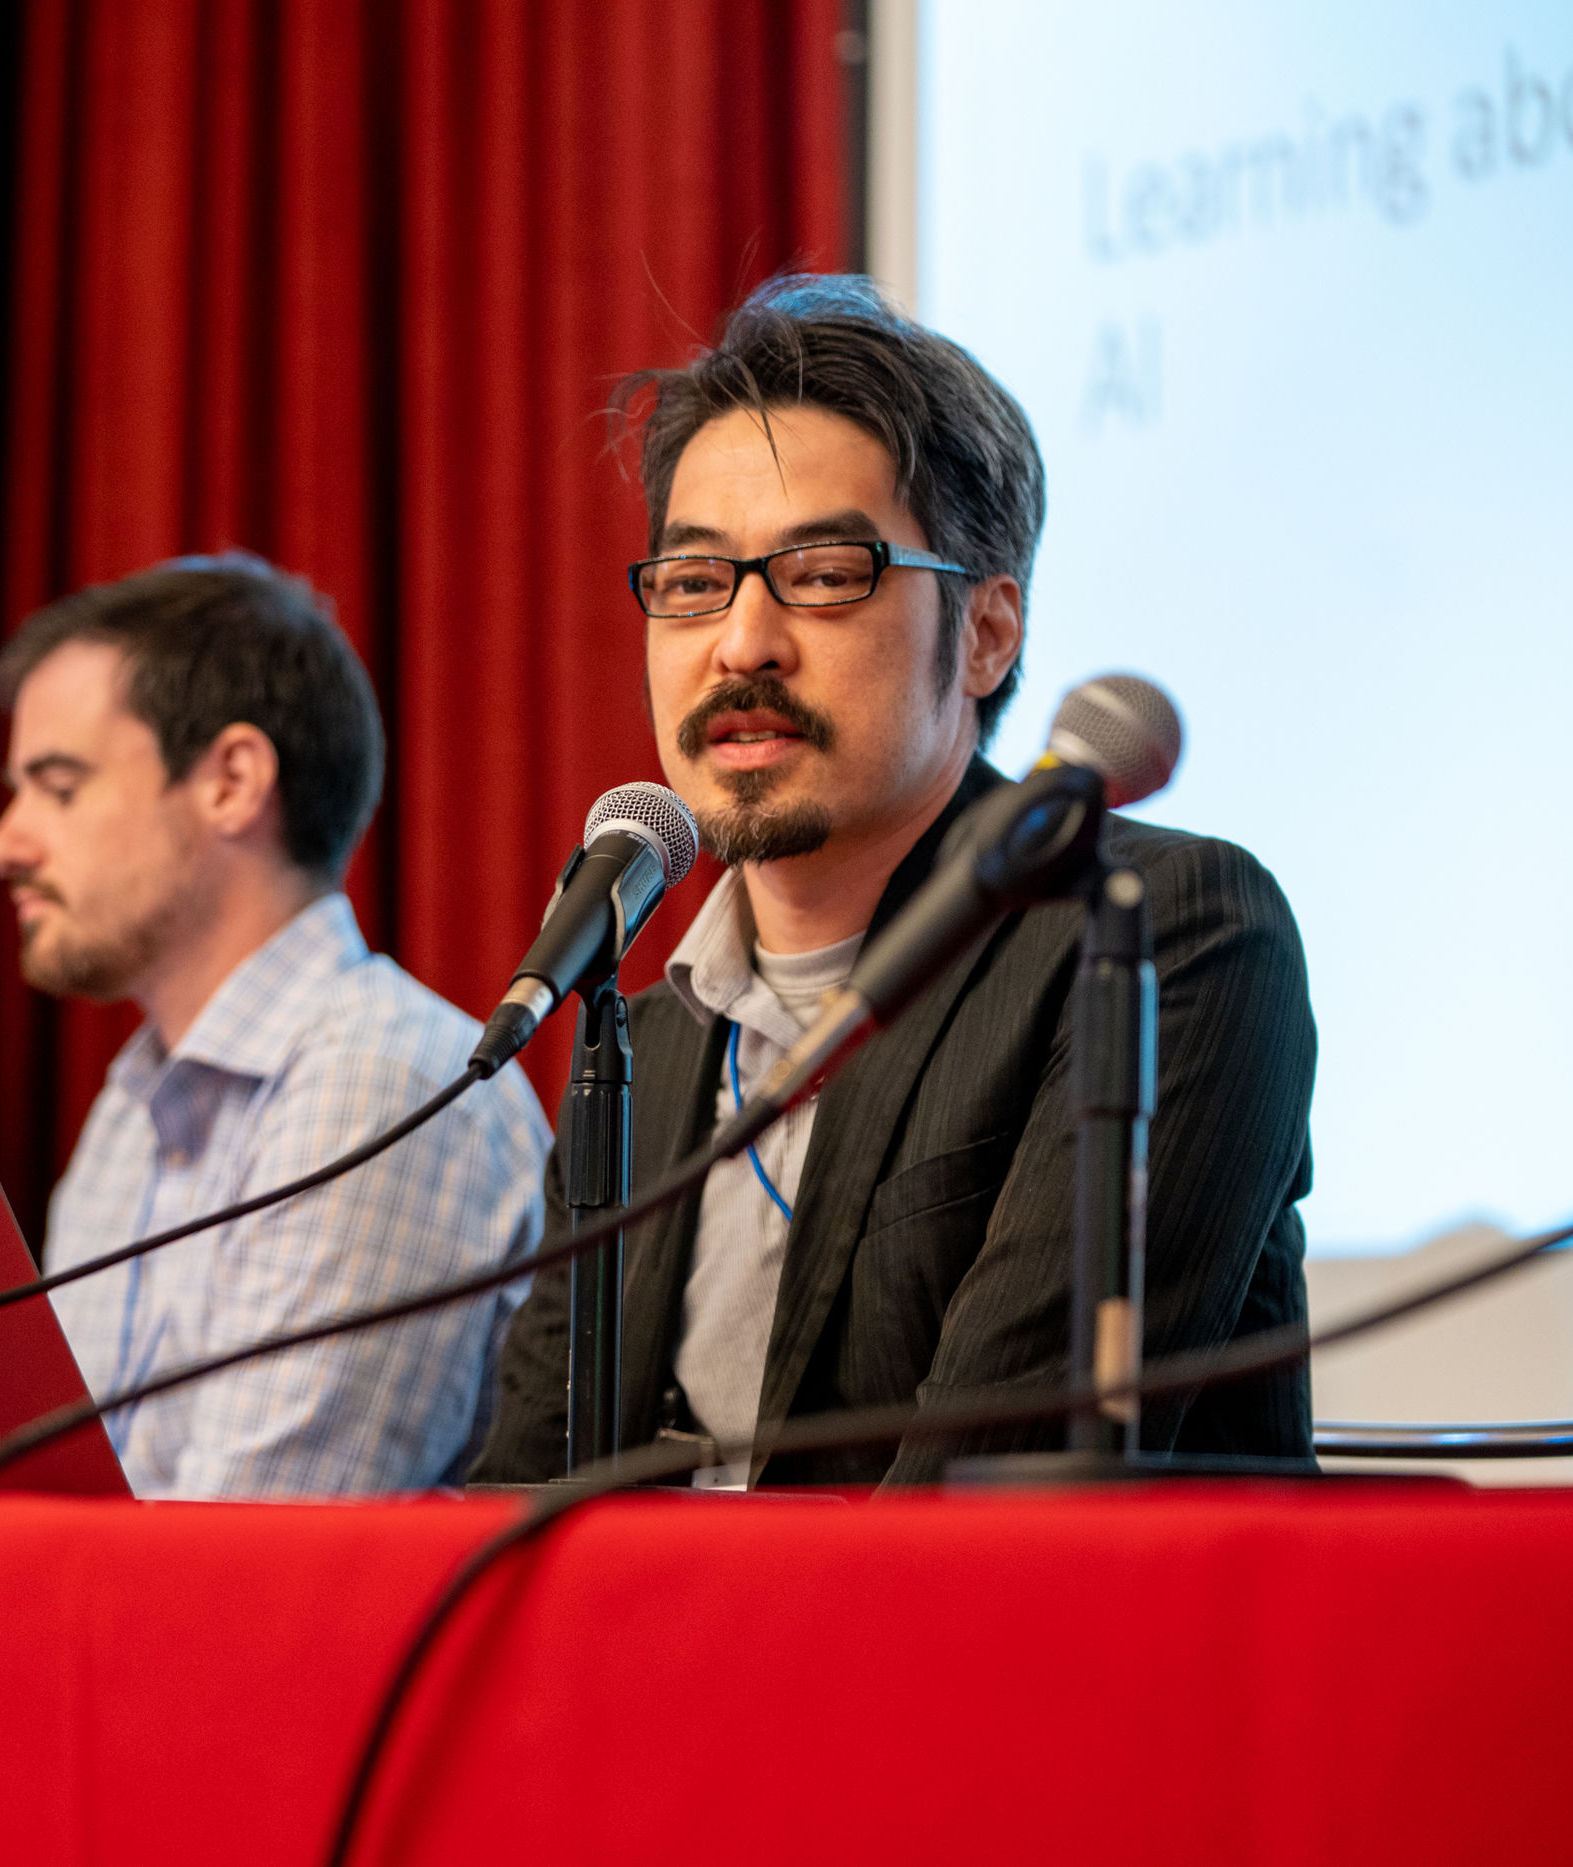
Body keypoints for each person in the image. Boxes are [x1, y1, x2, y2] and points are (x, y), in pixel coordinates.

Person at [473, 276, 1316, 1487]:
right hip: (651, 1665)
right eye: (693, 581)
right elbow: (523, 1488)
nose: (742, 642)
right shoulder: (645, 1037)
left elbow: (981, 1499)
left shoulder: (1154, 938)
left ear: (985, 633)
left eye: (822, 571)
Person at [0, 554, 551, 1500]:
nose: (2, 844)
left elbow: (240, 1586)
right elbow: (59, 1508)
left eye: (59, 785)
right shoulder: (134, 1105)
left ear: (232, 781)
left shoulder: (376, 1080)